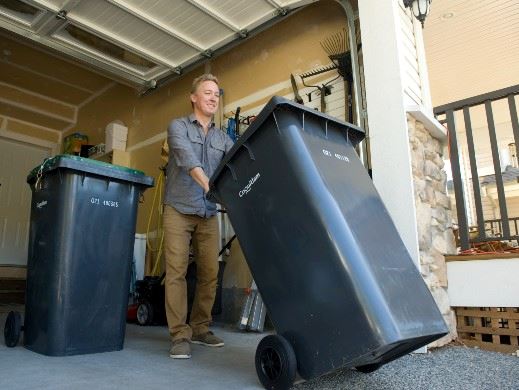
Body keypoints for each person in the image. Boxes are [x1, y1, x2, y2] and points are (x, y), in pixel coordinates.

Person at [163, 74, 234, 359]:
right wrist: (210, 186)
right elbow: (186, 158)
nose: (213, 97)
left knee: (210, 273)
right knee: (177, 273)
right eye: (207, 92)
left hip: (207, 212)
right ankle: (179, 335)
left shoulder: (222, 138)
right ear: (193, 97)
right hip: (178, 208)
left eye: (217, 93)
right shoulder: (177, 127)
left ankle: (200, 328)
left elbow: (235, 166)